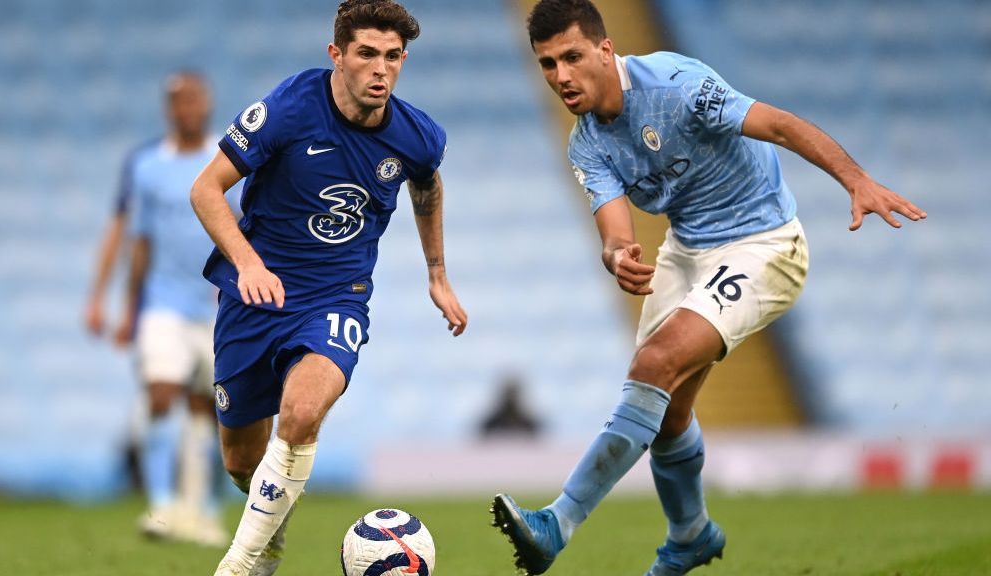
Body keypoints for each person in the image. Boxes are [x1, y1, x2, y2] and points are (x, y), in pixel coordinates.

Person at [490, 2, 927, 575]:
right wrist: (616, 254)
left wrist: (857, 180)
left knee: (655, 363)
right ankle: (691, 535)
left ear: (605, 49)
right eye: (547, 64)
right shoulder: (587, 143)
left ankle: (558, 522)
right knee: (665, 411)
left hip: (763, 244)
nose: (561, 77)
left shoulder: (677, 84)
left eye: (572, 57)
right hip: (688, 248)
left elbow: (779, 125)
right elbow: (615, 226)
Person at [189, 2, 468, 575]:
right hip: (254, 298)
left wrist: (437, 274)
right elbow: (205, 190)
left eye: (393, 57)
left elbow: (428, 188)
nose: (380, 69)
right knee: (241, 461)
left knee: (302, 413)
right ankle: (270, 536)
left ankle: (239, 566)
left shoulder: (417, 136)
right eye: (367, 54)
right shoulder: (291, 106)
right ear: (337, 55)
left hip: (336, 298)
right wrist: (247, 264)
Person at [85, 71, 230, 546]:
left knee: (209, 409)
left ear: (206, 104)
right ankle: (163, 506)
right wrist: (128, 307)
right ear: (169, 109)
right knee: (160, 393)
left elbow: (247, 225)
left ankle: (205, 511)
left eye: (194, 98)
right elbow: (138, 242)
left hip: (214, 303)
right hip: (164, 304)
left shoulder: (227, 159)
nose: (187, 108)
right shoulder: (148, 166)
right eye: (178, 101)